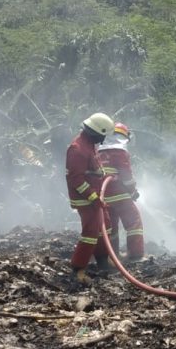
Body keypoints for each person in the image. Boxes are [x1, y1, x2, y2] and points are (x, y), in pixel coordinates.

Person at [65, 112, 114, 285]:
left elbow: (92, 170)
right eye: (102, 136)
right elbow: (76, 179)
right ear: (95, 132)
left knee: (105, 226)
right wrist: (93, 197)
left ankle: (103, 261)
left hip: (95, 197)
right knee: (91, 233)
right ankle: (78, 269)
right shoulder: (77, 149)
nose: (103, 140)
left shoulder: (89, 144)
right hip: (85, 199)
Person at [97, 122, 145, 261]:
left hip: (104, 196)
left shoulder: (99, 152)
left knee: (111, 227)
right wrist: (133, 191)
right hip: (120, 195)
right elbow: (126, 176)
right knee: (134, 222)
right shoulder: (120, 152)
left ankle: (113, 255)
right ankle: (136, 255)